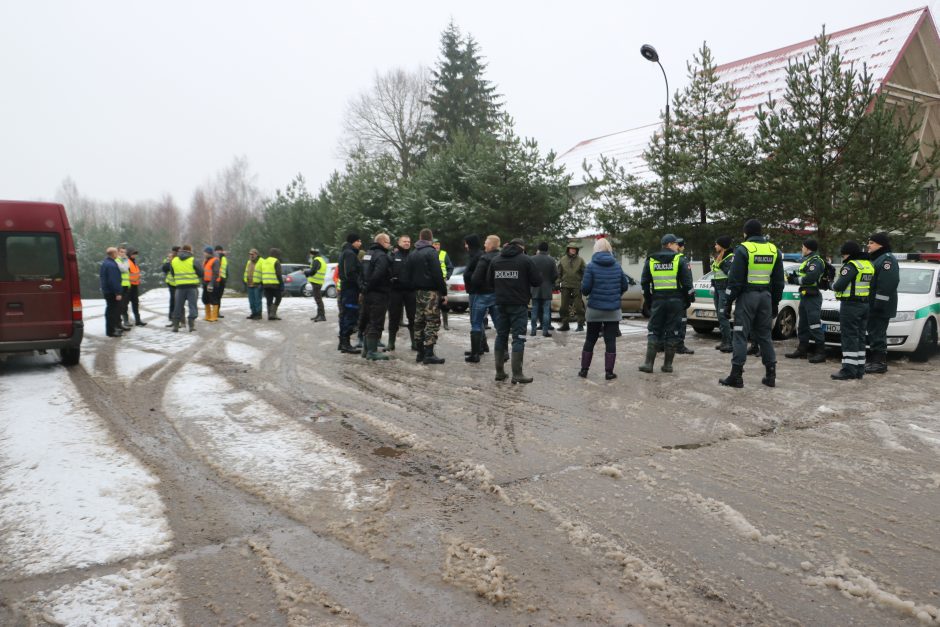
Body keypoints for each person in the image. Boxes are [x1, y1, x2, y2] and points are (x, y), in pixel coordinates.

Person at [719, 219, 785, 388]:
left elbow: (734, 281)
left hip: (748, 297)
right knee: (764, 336)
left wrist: (727, 303)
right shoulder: (773, 250)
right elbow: (778, 282)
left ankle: (736, 376)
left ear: (746, 233)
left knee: (740, 335)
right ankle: (771, 375)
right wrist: (775, 302)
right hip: (766, 297)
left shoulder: (743, 249)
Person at [487, 238, 542, 383]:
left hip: (500, 304)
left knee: (501, 335)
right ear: (521, 247)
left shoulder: (496, 260)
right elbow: (537, 281)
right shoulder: (525, 260)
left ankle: (499, 372)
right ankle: (517, 374)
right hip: (518, 305)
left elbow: (489, 282)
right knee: (519, 338)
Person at [639, 234, 693, 374]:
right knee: (673, 331)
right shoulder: (679, 259)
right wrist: (687, 301)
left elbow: (645, 283)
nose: (677, 246)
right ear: (669, 244)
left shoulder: (651, 260)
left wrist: (649, 300)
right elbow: (688, 284)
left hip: (658, 300)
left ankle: (648, 364)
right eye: (675, 244)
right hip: (675, 301)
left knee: (654, 330)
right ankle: (667, 365)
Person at [579, 238, 629, 380]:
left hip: (594, 309)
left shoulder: (591, 266)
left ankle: (584, 370)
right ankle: (609, 372)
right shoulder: (617, 266)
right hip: (613, 310)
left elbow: (586, 290)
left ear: (596, 249)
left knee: (590, 339)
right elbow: (624, 286)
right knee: (610, 340)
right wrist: (615, 295)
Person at [402, 228, 447, 364]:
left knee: (419, 322)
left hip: (417, 292)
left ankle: (420, 352)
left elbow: (406, 275)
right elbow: (437, 274)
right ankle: (429, 353)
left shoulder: (413, 253)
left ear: (420, 238)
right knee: (432, 321)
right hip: (431, 293)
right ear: (431, 239)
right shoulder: (431, 252)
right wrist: (443, 292)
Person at [831, 241, 874, 380]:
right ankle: (859, 368)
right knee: (860, 337)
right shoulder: (868, 265)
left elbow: (839, 286)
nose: (843, 258)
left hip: (851, 306)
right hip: (864, 304)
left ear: (848, 254)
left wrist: (830, 284)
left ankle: (848, 370)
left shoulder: (851, 265)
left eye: (843, 255)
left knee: (849, 337)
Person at [785, 238, 827, 363]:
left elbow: (810, 277)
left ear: (808, 248)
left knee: (814, 324)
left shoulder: (815, 261)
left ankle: (821, 352)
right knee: (802, 324)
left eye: (802, 247)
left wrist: (795, 280)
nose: (801, 249)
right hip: (805, 295)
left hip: (812, 296)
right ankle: (802, 350)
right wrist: (794, 277)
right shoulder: (807, 260)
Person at [865, 232, 899, 374]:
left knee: (878, 333)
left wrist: (879, 302)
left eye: (872, 242)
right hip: (874, 303)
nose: (869, 245)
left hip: (881, 305)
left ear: (881, 245)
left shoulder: (887, 260)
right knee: (874, 332)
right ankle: (874, 360)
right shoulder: (877, 259)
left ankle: (879, 363)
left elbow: (887, 283)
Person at [359, 233, 394, 360]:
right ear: (383, 242)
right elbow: (378, 274)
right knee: (376, 321)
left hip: (368, 293)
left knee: (368, 320)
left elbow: (361, 273)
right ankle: (372, 352)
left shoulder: (368, 254)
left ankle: (366, 349)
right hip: (378, 293)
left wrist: (364, 288)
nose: (389, 245)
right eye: (388, 242)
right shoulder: (382, 256)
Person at [467, 235, 501, 363]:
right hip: (497, 295)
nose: (484, 245)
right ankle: (503, 353)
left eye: (486, 243)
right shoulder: (501, 258)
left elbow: (475, 278)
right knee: (499, 325)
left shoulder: (485, 258)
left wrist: (478, 286)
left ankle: (475, 355)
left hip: (482, 295)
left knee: (476, 323)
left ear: (491, 245)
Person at [387, 235, 416, 351]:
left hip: (411, 291)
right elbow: (387, 271)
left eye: (408, 241)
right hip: (395, 292)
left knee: (413, 318)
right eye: (404, 241)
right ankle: (391, 343)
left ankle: (414, 343)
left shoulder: (414, 255)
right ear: (398, 242)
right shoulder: (392, 256)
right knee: (393, 317)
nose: (407, 243)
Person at [337, 233, 363, 352]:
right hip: (350, 290)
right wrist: (360, 285)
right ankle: (345, 344)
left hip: (346, 289)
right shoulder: (350, 254)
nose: (360, 243)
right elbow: (350, 273)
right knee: (350, 315)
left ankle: (342, 342)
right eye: (358, 241)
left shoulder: (345, 252)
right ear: (353, 242)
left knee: (344, 315)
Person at [169, 244, 201, 332]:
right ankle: (191, 326)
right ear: (190, 250)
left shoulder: (174, 260)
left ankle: (175, 326)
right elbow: (201, 272)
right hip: (192, 287)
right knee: (192, 306)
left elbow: (172, 273)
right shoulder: (193, 259)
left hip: (179, 287)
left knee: (178, 306)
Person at [462, 234, 484, 357]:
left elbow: (477, 274)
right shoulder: (474, 255)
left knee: (475, 319)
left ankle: (478, 348)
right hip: (473, 291)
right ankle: (481, 345)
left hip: (476, 291)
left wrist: (468, 276)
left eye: (466, 243)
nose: (465, 246)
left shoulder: (477, 256)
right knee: (477, 319)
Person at [711, 236, 734, 352]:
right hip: (717, 289)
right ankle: (724, 341)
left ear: (722, 246)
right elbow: (715, 273)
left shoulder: (729, 258)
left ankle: (729, 343)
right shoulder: (719, 257)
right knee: (720, 316)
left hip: (724, 290)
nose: (715, 246)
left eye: (716, 244)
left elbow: (731, 275)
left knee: (722, 315)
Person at [530, 242, 558, 337]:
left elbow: (528, 273)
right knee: (546, 311)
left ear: (538, 248)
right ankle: (545, 331)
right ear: (547, 249)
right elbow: (555, 274)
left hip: (534, 287)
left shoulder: (532, 259)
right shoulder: (551, 260)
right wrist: (550, 282)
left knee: (534, 310)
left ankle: (533, 331)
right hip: (547, 287)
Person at [674, 237, 696, 354]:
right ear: (681, 246)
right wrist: (690, 296)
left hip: (665, 295)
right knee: (681, 321)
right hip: (680, 296)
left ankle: (663, 344)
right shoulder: (682, 259)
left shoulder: (663, 258)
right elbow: (687, 280)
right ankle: (679, 345)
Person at [557, 241, 586, 332]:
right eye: (571, 249)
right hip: (565, 285)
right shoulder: (562, 259)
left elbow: (585, 272)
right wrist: (557, 283)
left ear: (576, 250)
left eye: (574, 249)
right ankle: (565, 324)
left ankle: (580, 324)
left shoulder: (580, 260)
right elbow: (559, 273)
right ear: (568, 249)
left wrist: (584, 282)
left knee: (578, 307)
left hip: (577, 285)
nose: (573, 250)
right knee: (563, 307)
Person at [99, 247, 124, 337]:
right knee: (112, 312)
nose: (117, 254)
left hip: (107, 291)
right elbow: (113, 280)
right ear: (113, 254)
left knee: (110, 311)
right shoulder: (111, 265)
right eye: (116, 253)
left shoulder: (106, 263)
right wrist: (118, 293)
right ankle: (111, 331)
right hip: (111, 292)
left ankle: (111, 329)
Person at [432, 239, 454, 330]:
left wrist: (447, 276)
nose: (437, 246)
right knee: (433, 302)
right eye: (435, 244)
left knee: (444, 301)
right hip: (432, 282)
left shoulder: (444, 254)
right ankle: (436, 322)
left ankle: (445, 323)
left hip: (442, 281)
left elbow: (450, 267)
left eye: (438, 244)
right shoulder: (430, 254)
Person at [305, 248, 328, 322]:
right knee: (318, 299)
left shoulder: (316, 260)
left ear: (312, 254)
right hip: (318, 282)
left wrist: (305, 272)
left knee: (318, 299)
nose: (310, 255)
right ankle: (319, 315)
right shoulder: (321, 260)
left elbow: (312, 271)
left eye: (310, 254)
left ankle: (322, 316)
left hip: (316, 282)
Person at [261, 247, 284, 321]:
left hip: (266, 284)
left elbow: (261, 273)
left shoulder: (264, 261)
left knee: (269, 299)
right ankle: (273, 314)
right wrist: (281, 284)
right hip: (274, 284)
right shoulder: (276, 261)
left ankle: (269, 315)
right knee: (278, 298)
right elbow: (278, 274)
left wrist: (262, 283)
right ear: (276, 254)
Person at [126, 248, 147, 326]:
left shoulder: (133, 262)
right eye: (133, 254)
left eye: (135, 254)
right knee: (125, 304)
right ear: (129, 254)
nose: (134, 255)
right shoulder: (128, 262)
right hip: (129, 286)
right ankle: (126, 321)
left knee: (135, 303)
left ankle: (138, 320)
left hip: (134, 286)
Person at [161, 246, 179, 327]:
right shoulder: (169, 258)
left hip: (178, 282)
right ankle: (171, 316)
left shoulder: (179, 258)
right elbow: (164, 269)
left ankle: (176, 316)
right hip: (171, 283)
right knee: (173, 299)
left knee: (177, 300)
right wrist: (169, 261)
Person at [115, 245, 132, 331]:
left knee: (125, 305)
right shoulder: (117, 260)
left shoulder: (125, 260)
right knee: (120, 305)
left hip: (126, 285)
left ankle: (126, 321)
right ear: (117, 252)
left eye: (124, 252)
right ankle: (120, 323)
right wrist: (126, 260)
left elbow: (127, 269)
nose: (123, 254)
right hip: (120, 285)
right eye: (121, 252)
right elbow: (124, 269)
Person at [201, 246, 221, 322]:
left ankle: (214, 316)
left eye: (205, 252)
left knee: (214, 299)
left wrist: (211, 283)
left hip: (213, 283)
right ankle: (208, 315)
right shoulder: (206, 260)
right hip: (206, 283)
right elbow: (204, 272)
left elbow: (216, 273)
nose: (204, 253)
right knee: (205, 299)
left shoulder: (215, 260)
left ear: (209, 253)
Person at [243, 248, 263, 319]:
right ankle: (253, 313)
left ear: (257, 254)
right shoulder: (249, 262)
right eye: (250, 254)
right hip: (249, 284)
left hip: (257, 284)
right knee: (251, 301)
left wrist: (262, 283)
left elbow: (264, 273)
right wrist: (245, 280)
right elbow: (246, 272)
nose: (251, 256)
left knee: (257, 300)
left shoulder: (261, 261)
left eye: (253, 254)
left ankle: (258, 314)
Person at [214, 245, 228, 318]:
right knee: (215, 296)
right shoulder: (215, 257)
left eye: (220, 250)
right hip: (216, 279)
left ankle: (217, 311)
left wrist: (226, 278)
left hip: (222, 279)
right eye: (217, 250)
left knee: (219, 297)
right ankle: (215, 312)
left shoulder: (224, 258)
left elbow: (226, 269)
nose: (219, 252)